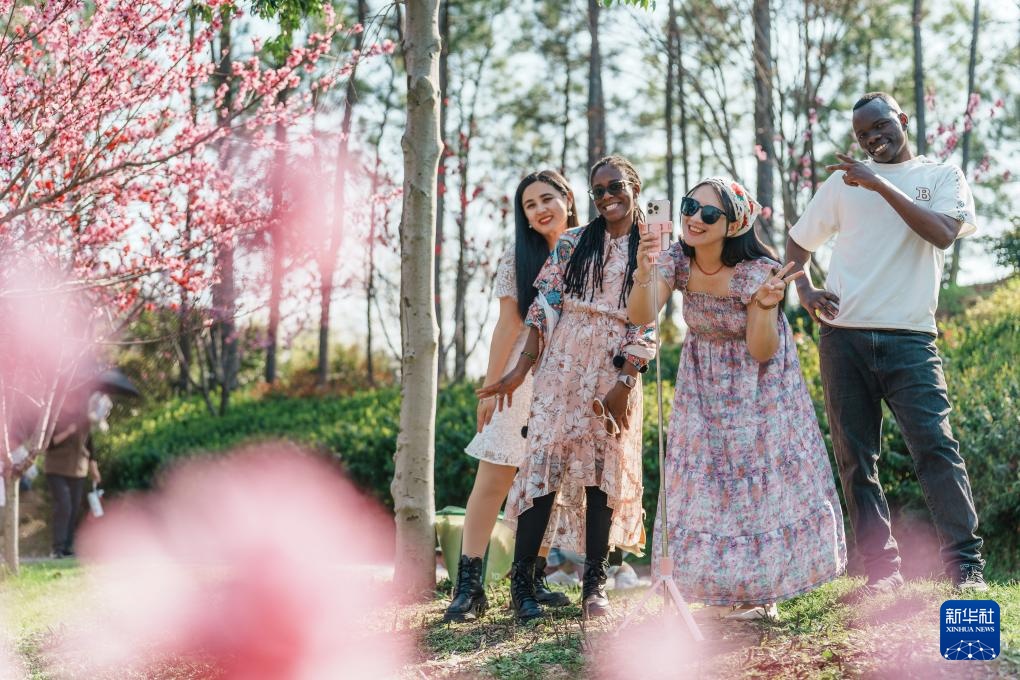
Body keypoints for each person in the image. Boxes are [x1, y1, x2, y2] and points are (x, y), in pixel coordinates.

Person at [785, 91, 987, 594]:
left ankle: (966, 568)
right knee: (856, 459)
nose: (873, 139)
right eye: (863, 135)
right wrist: (806, 289)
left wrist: (878, 184)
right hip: (843, 338)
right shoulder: (840, 184)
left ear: (901, 119)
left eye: (880, 127)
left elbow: (941, 234)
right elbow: (797, 241)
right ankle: (880, 571)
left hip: (911, 339)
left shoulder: (941, 177)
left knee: (936, 448)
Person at [628, 177, 847, 619]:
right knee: (705, 481)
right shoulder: (678, 260)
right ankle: (716, 588)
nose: (694, 218)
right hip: (702, 380)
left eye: (710, 213)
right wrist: (645, 270)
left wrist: (765, 306)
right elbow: (640, 314)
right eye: (691, 206)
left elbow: (761, 349)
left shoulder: (755, 272)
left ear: (733, 225)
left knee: (753, 481)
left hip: (759, 382)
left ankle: (759, 593)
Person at [479, 155, 654, 621]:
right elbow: (543, 308)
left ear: (633, 185)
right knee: (545, 466)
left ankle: (593, 588)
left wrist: (625, 379)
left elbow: (650, 318)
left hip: (615, 364)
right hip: (562, 363)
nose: (607, 197)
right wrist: (520, 369)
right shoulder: (574, 242)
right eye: (598, 191)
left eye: (615, 186)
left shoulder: (653, 245)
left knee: (603, 470)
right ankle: (523, 588)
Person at [444, 170, 578, 622]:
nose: (540, 210)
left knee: (547, 484)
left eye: (547, 199)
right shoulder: (517, 257)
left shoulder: (589, 251)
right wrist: (491, 386)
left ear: (568, 199)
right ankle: (468, 586)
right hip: (518, 379)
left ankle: (531, 580)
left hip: (568, 381)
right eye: (529, 205)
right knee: (493, 481)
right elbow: (507, 325)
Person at [44, 397, 101, 558]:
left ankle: (67, 546)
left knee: (74, 508)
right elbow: (47, 444)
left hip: (78, 470)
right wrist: (68, 431)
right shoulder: (54, 417)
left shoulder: (86, 420)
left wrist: (94, 470)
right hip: (56, 468)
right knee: (64, 505)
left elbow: (90, 446)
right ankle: (57, 548)